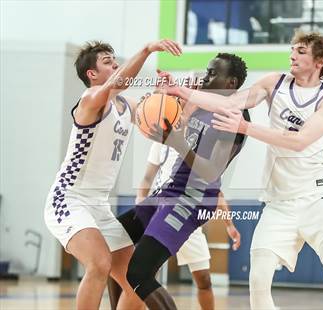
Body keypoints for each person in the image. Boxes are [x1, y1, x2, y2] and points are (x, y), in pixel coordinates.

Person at [162, 31, 323, 310]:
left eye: (301, 51)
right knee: (258, 277)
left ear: (320, 61)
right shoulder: (274, 83)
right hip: (279, 203)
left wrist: (246, 128)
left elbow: (299, 141)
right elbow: (230, 102)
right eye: (292, 49)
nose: (292, 55)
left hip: (317, 198)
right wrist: (182, 91)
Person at [43, 39, 181, 310]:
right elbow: (119, 83)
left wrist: (167, 93)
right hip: (68, 199)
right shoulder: (90, 100)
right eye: (108, 62)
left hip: (99, 206)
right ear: (91, 74)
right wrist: (146, 50)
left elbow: (154, 110)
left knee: (136, 279)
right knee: (99, 262)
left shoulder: (126, 106)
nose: (116, 64)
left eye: (115, 60)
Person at [117, 52, 249, 309]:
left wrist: (178, 144)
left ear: (230, 83)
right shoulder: (202, 104)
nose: (205, 77)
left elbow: (211, 171)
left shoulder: (234, 117)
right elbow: (171, 112)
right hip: (169, 191)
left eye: (212, 73)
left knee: (139, 273)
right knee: (114, 244)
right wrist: (167, 91)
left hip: (192, 199)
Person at [108, 140, 241, 310]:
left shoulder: (200, 143)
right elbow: (148, 177)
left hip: (186, 212)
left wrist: (228, 224)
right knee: (141, 274)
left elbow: (216, 189)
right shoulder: (161, 144)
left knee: (204, 280)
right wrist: (141, 202)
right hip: (160, 212)